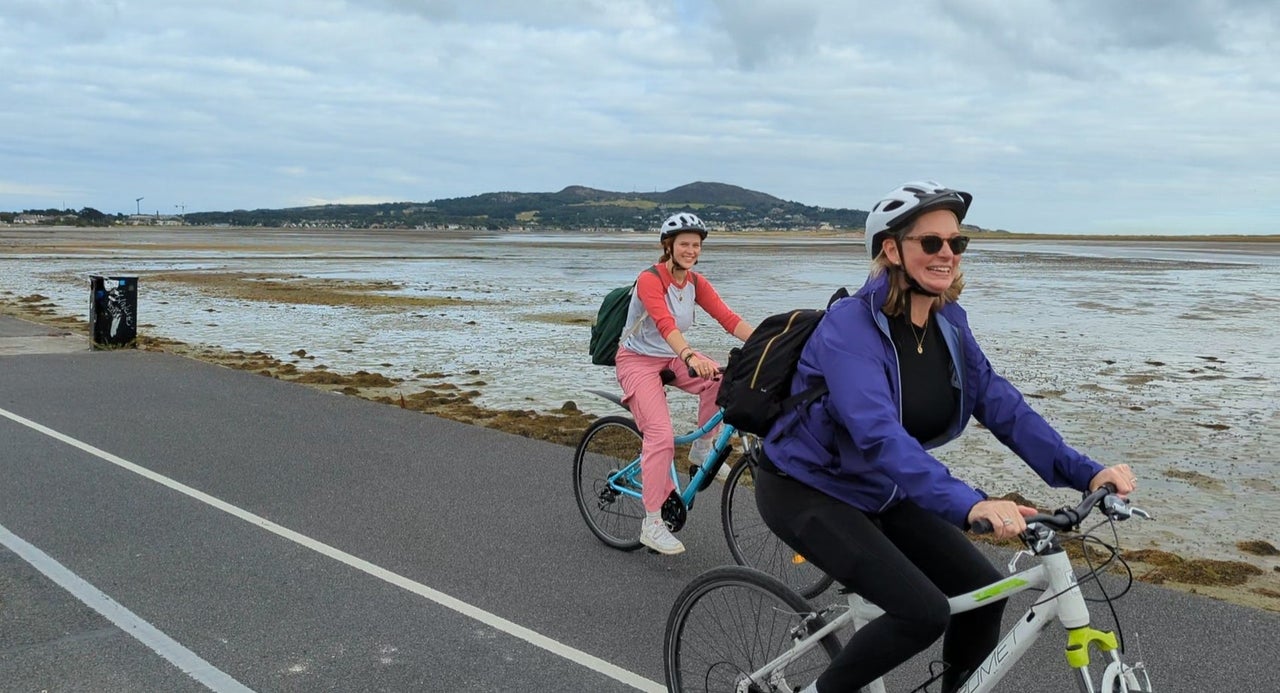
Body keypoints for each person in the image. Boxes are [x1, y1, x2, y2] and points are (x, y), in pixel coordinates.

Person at [753, 181, 1140, 693]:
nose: (947, 254)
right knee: (921, 612)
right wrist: (971, 505)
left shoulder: (948, 324)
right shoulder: (849, 328)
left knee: (986, 591)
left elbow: (1003, 407)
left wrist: (1085, 471)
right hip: (807, 488)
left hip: (882, 487)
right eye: (930, 242)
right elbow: (879, 436)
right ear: (890, 249)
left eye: (956, 243)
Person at [615, 212, 754, 555]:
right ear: (669, 246)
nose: (691, 250)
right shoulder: (650, 279)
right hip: (637, 360)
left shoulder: (695, 282)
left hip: (670, 356)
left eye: (696, 245)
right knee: (660, 435)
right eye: (685, 244)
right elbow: (665, 325)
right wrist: (691, 357)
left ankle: (702, 449)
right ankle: (651, 523)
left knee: (721, 383)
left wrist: (771, 343)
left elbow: (728, 318)